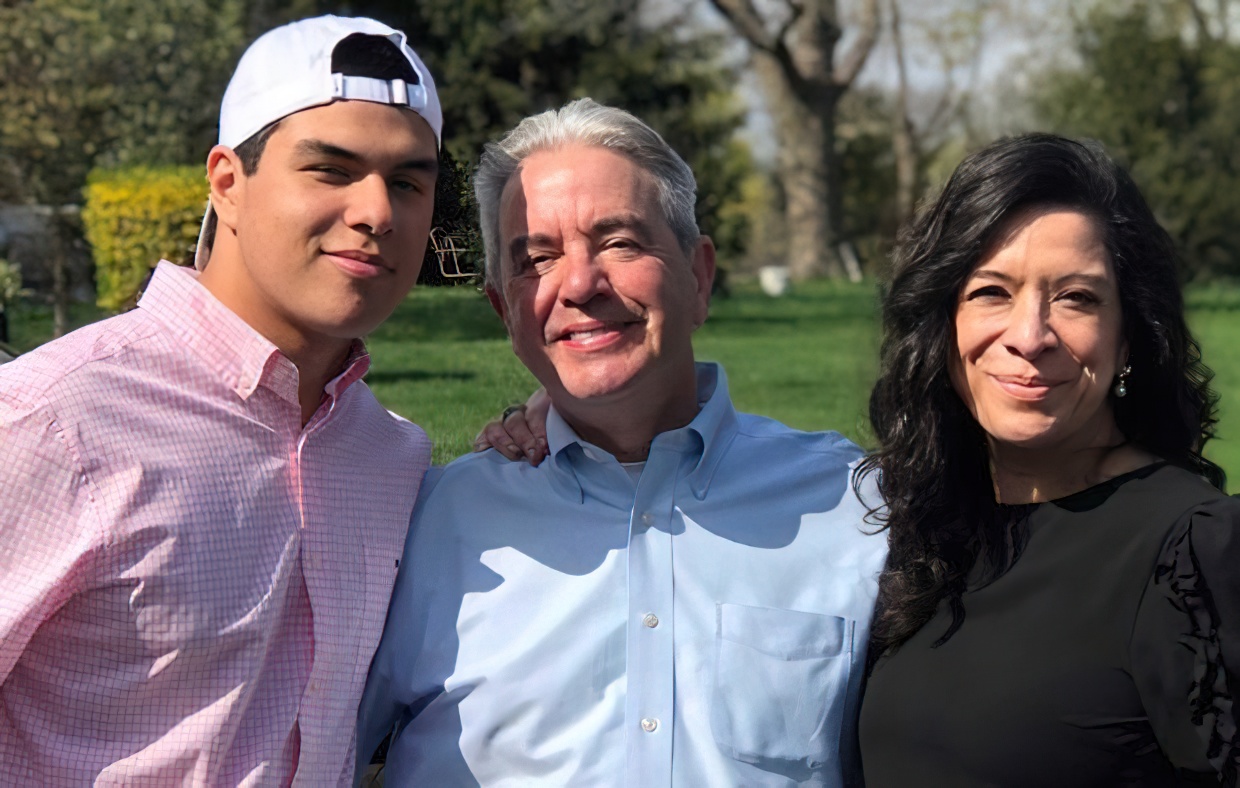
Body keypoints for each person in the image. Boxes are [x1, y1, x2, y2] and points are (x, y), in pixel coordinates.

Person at [356, 98, 887, 786]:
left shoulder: (855, 512)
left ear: (698, 277)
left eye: (619, 242)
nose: (578, 284)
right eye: (537, 258)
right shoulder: (426, 528)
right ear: (504, 311)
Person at [0, 15, 441, 784]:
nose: (377, 212)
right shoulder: (53, 421)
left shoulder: (392, 457)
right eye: (331, 170)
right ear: (228, 184)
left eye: (407, 181)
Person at [856, 134, 1239, 785]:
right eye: (991, 292)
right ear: (940, 324)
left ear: (1129, 339)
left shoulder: (1197, 550)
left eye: (1077, 298)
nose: (1030, 337)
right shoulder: (922, 524)